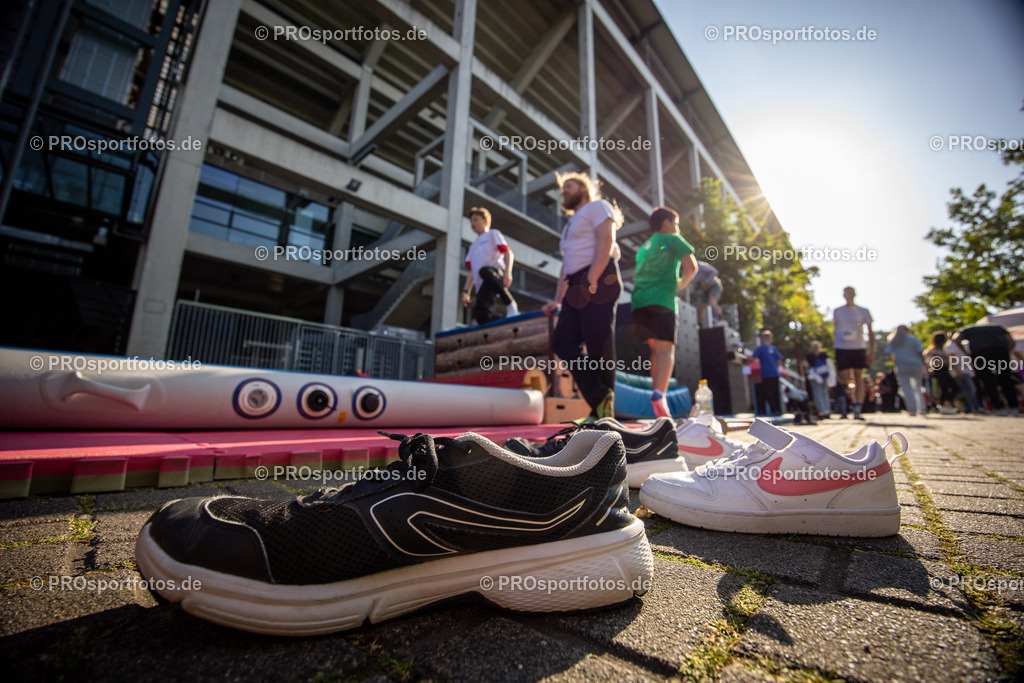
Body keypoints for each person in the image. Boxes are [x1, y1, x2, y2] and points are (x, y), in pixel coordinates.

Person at [542, 173, 623, 421]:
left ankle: (603, 413)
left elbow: (607, 239)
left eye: (569, 185)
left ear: (584, 188)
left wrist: (593, 277)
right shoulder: (569, 226)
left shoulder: (598, 206)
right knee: (562, 342)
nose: (564, 190)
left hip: (598, 276)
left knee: (598, 343)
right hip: (576, 283)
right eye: (563, 187)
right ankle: (600, 399)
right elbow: (565, 264)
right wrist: (558, 299)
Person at [631, 206, 698, 417]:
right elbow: (692, 267)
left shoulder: (644, 247)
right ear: (667, 223)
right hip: (662, 301)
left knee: (654, 350)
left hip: (640, 303)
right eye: (676, 224)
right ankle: (660, 395)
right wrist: (680, 285)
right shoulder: (672, 238)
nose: (677, 228)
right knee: (666, 351)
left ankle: (656, 394)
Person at [461, 207, 518, 324]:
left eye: (476, 220)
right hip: (482, 283)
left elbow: (507, 252)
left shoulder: (493, 234)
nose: (473, 223)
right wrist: (466, 291)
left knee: (484, 271)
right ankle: (505, 322)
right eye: (471, 221)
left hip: (495, 273)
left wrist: (508, 271)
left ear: (485, 220)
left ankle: (510, 304)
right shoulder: (472, 247)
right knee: (480, 313)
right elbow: (472, 272)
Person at [955, 324, 1019, 416]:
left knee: (987, 380)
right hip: (1000, 351)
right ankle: (1013, 407)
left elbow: (956, 339)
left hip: (979, 353)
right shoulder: (998, 328)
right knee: (1006, 378)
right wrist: (1006, 351)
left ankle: (998, 407)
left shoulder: (966, 330)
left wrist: (966, 353)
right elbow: (1011, 341)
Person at [833, 286, 874, 420]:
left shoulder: (863, 311)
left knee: (858, 377)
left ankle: (857, 408)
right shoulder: (837, 311)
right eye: (846, 292)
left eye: (851, 292)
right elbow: (834, 329)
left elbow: (870, 332)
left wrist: (871, 351)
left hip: (858, 346)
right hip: (841, 346)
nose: (848, 295)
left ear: (855, 294)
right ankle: (846, 404)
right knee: (844, 377)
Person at [944, 331, 982, 413]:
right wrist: (958, 372)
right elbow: (952, 360)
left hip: (967, 370)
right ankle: (974, 408)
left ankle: (973, 407)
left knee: (967, 390)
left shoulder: (963, 344)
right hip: (960, 370)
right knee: (970, 389)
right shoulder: (950, 346)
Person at [751, 329, 783, 416]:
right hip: (775, 373)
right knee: (776, 392)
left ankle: (773, 410)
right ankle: (779, 410)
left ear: (762, 339)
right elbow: (779, 361)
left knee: (768, 392)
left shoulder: (761, 348)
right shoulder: (774, 348)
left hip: (766, 374)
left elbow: (753, 359)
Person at [924, 331, 957, 414]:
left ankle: (944, 406)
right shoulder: (934, 349)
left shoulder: (943, 348)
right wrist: (942, 363)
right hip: (939, 369)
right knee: (954, 387)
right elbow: (928, 356)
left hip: (943, 370)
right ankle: (946, 405)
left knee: (944, 389)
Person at [804, 340, 833, 418]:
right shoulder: (823, 355)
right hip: (824, 374)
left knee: (817, 393)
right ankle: (827, 410)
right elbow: (829, 364)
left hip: (815, 376)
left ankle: (821, 411)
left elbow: (806, 365)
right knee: (824, 393)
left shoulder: (809, 355)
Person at [691, 261, 724, 327]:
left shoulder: (701, 266)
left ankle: (721, 318)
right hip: (705, 291)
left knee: (712, 302)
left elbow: (715, 271)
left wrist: (706, 281)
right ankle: (700, 326)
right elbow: (694, 286)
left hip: (714, 286)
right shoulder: (692, 273)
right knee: (700, 308)